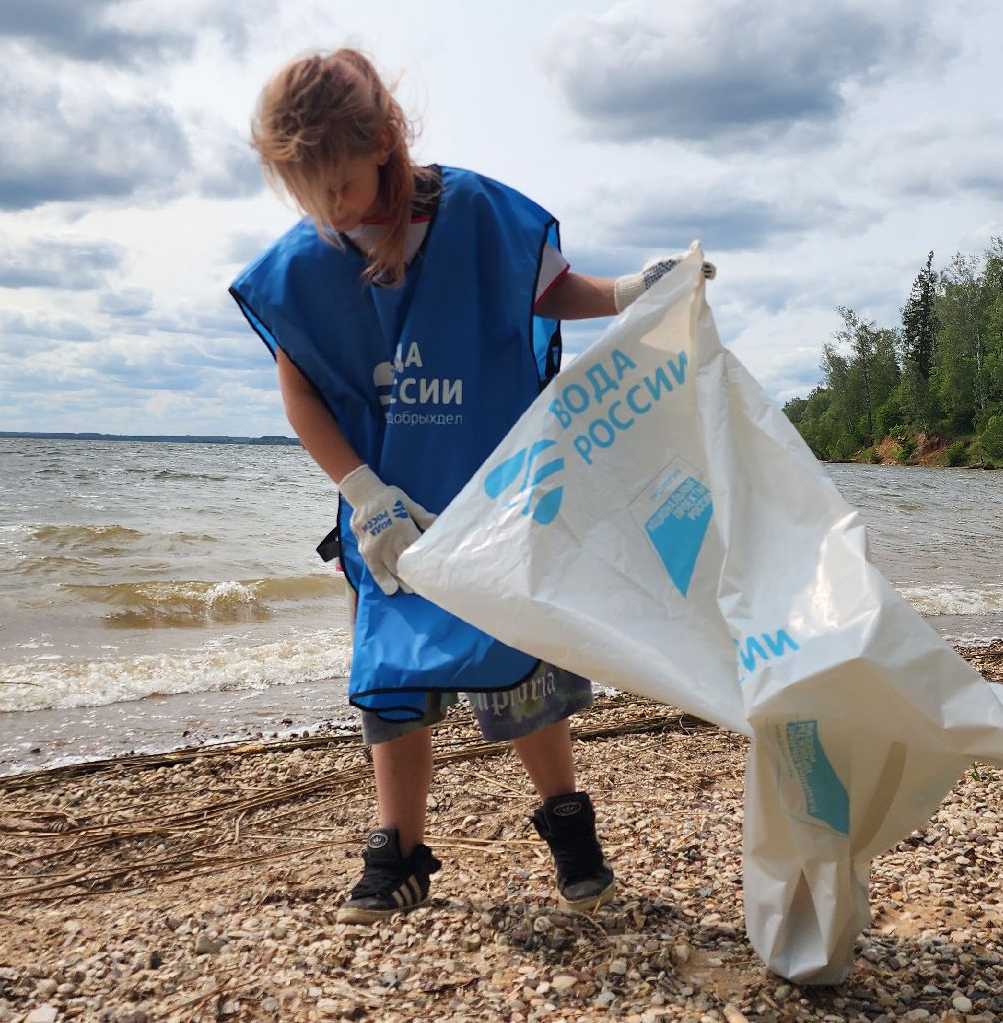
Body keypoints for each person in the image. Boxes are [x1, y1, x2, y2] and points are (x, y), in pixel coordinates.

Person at [229, 48, 709, 924]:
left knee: (520, 673)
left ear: (385, 140)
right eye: (306, 196)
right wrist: (364, 494)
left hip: (491, 497)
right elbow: (300, 394)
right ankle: (400, 853)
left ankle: (568, 828)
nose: (327, 213)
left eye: (337, 188)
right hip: (388, 512)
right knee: (392, 680)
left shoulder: (480, 217)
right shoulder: (307, 259)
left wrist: (638, 291)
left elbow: (554, 291)